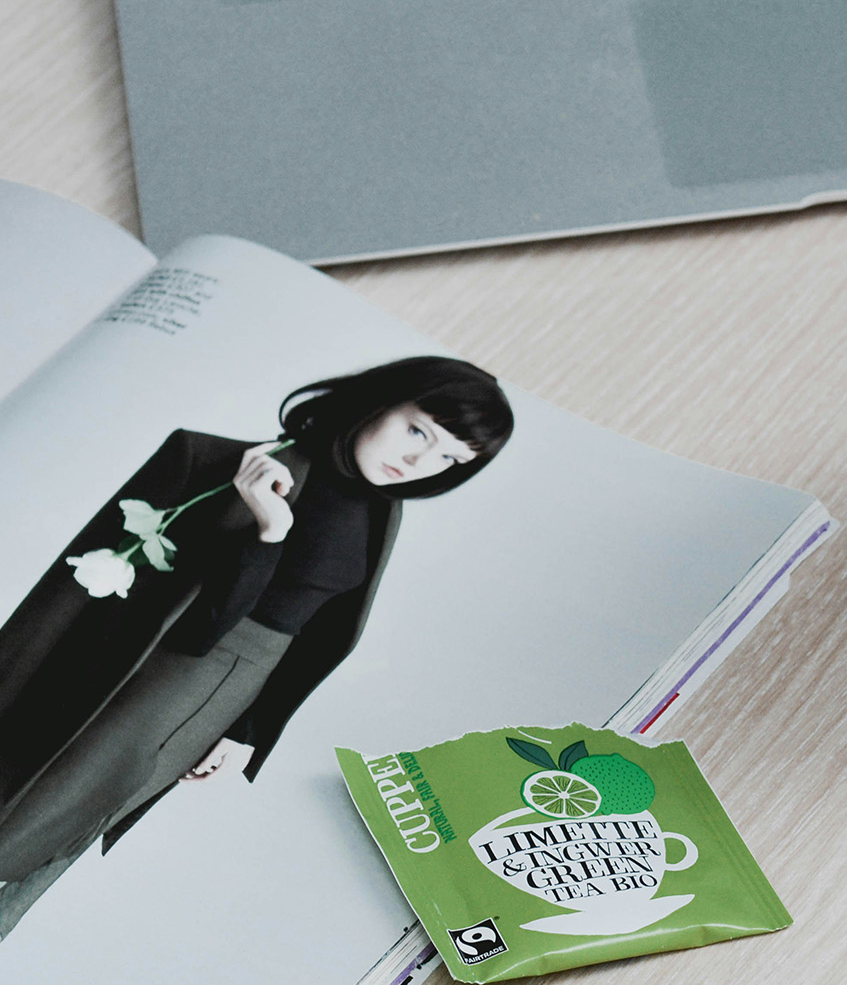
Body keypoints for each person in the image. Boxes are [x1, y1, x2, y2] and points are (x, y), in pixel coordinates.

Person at [0, 357, 514, 943]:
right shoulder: (212, 463)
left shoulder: (381, 511)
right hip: (144, 678)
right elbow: (199, 628)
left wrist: (245, 728)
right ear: (381, 399)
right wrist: (270, 532)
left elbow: (311, 634)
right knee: (37, 810)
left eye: (450, 457)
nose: (420, 463)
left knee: (77, 828)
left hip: (225, 696)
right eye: (418, 431)